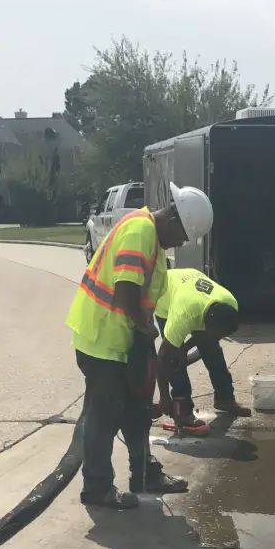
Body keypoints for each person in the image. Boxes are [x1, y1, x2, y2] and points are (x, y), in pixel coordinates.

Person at [66, 183, 214, 510]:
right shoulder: (140, 232)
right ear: (173, 218)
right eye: (183, 236)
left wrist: (145, 336)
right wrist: (146, 328)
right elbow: (124, 292)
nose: (182, 243)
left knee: (136, 412)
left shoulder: (152, 238)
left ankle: (145, 474)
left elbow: (143, 296)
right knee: (103, 418)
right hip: (102, 340)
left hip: (121, 340)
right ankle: (97, 488)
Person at [154, 268, 248, 428]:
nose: (220, 336)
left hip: (191, 292)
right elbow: (162, 357)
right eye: (219, 332)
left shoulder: (229, 304)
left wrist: (186, 349)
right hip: (165, 298)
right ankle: (183, 412)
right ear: (209, 322)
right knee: (174, 359)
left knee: (214, 352)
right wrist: (164, 397)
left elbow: (207, 336)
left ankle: (224, 400)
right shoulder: (181, 317)